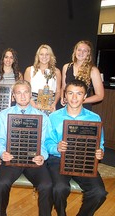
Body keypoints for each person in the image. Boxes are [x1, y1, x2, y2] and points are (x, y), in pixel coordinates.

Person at [46, 79, 107, 216]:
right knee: (59, 189)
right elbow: (47, 142)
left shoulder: (95, 118)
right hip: (59, 160)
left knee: (99, 193)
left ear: (85, 96)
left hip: (84, 161)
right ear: (65, 95)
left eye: (79, 94)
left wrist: (100, 152)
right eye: (70, 93)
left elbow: (100, 143)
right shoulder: (54, 117)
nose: (74, 98)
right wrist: (57, 147)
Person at [0, 80, 53, 216]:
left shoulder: (42, 116)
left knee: (47, 185)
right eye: (18, 93)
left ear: (30, 94)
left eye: (26, 92)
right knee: (1, 184)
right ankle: (1, 213)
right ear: (13, 96)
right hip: (11, 159)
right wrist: (2, 152)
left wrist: (42, 156)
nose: (23, 96)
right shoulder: (4, 115)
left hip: (34, 160)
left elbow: (45, 142)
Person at [61, 40, 104, 110]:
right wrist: (62, 97)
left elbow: (100, 96)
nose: (81, 53)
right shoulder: (66, 67)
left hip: (84, 108)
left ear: (88, 53)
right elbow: (63, 88)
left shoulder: (93, 70)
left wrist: (80, 101)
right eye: (79, 50)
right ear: (75, 51)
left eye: (85, 51)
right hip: (67, 107)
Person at [24, 44, 61, 114]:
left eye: (47, 54)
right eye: (41, 54)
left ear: (51, 56)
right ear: (38, 56)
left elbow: (58, 91)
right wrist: (33, 104)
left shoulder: (56, 72)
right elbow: (26, 89)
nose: (44, 57)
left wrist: (54, 104)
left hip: (50, 104)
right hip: (32, 103)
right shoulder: (29, 70)